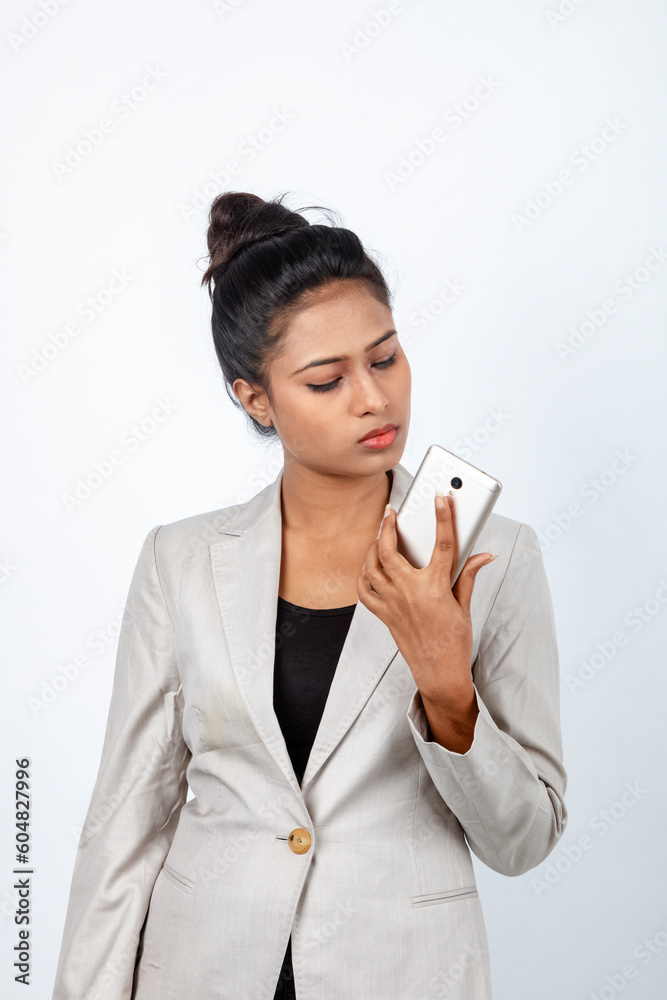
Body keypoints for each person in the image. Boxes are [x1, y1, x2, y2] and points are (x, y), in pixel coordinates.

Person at [51, 191, 567, 1000]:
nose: (373, 398)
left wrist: (447, 690)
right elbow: (126, 823)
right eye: (326, 380)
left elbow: (523, 840)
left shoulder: (496, 558)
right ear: (254, 397)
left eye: (385, 357)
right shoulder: (178, 561)